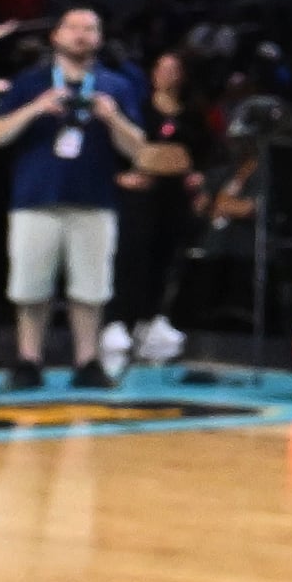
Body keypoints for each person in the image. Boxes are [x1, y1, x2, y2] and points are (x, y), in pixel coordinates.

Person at [0, 4, 145, 386]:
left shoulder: (115, 86)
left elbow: (138, 150)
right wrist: (35, 109)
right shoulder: (30, 82)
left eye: (90, 28)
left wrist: (113, 117)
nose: (81, 35)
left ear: (100, 39)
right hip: (36, 197)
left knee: (91, 287)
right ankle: (28, 359)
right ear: (56, 35)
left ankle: (88, 361)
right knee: (29, 284)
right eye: (73, 27)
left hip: (94, 198)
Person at [111, 39, 208, 360]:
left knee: (166, 257)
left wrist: (198, 177)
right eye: (160, 69)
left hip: (175, 193)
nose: (165, 75)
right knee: (131, 256)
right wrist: (121, 176)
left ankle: (152, 318)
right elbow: (121, 144)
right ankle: (118, 320)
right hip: (142, 193)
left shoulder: (192, 113)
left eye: (172, 70)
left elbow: (204, 151)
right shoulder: (138, 107)